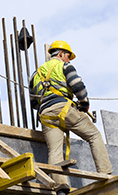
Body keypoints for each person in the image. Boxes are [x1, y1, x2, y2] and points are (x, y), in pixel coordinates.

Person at [29, 40, 112, 194]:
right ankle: (106, 174)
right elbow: (78, 86)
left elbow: (33, 102)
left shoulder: (36, 74)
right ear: (61, 54)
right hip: (64, 108)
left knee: (54, 151)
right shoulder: (64, 66)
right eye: (68, 56)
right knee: (94, 135)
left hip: (45, 115)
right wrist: (84, 104)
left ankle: (61, 188)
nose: (68, 59)